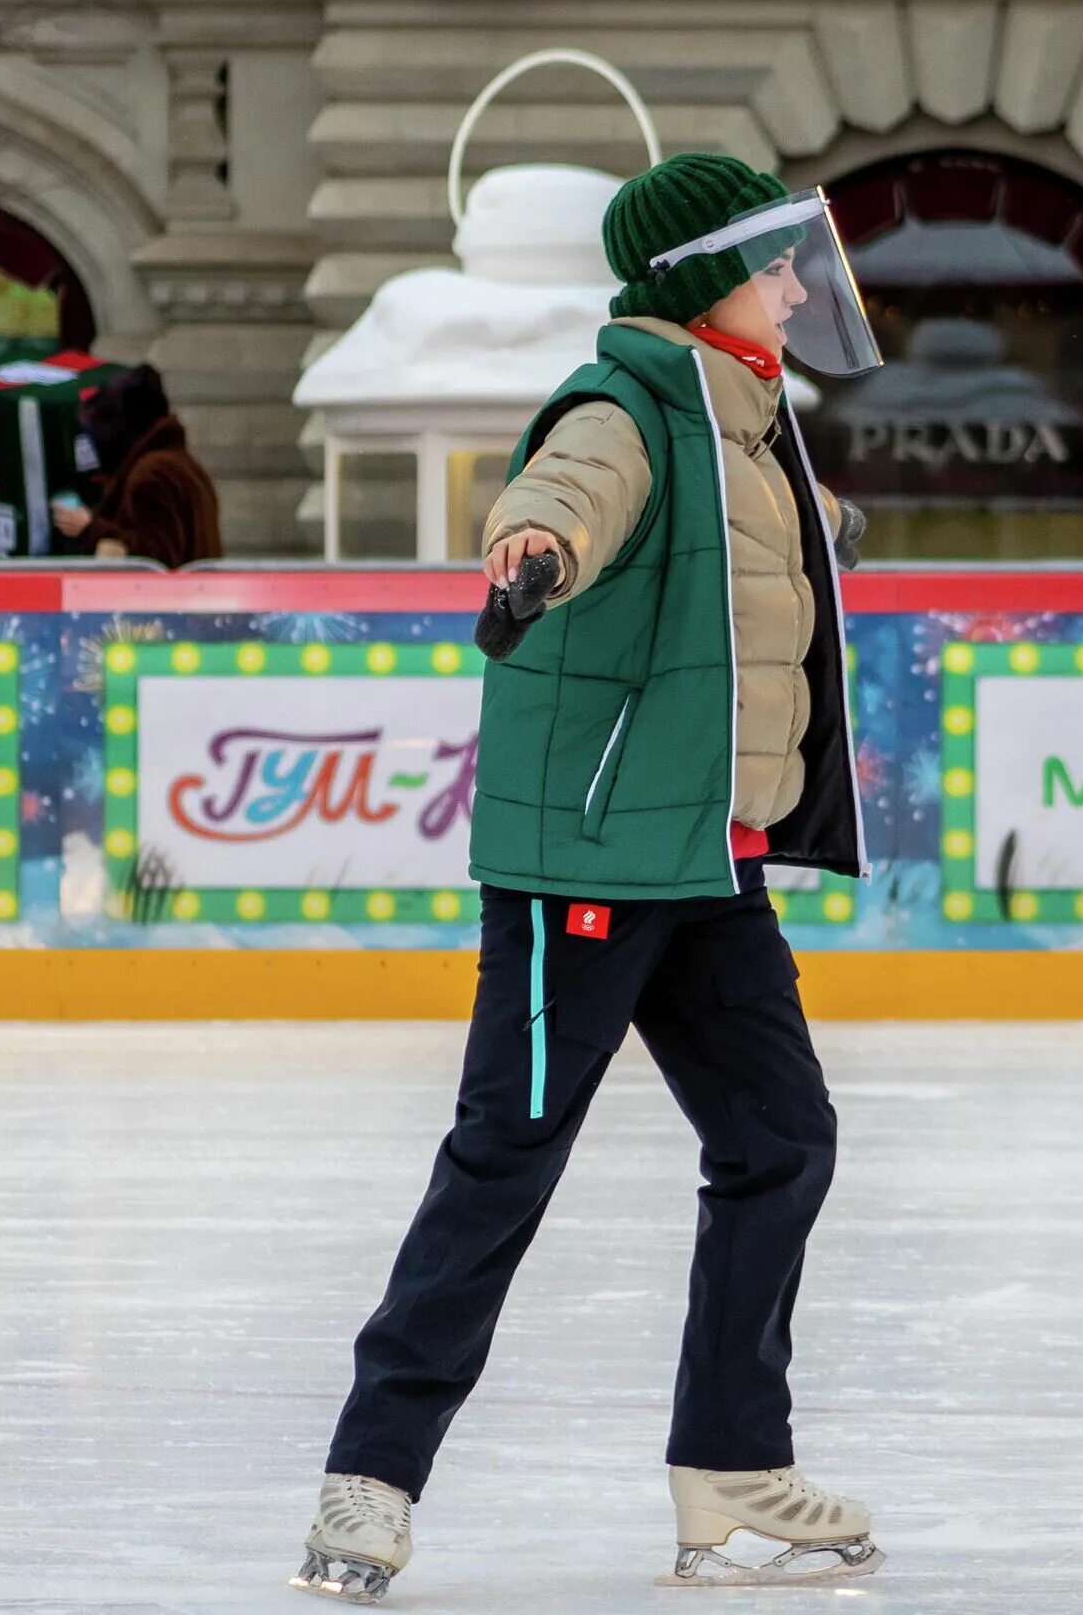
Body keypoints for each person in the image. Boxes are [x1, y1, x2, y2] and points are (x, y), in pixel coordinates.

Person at [293, 154, 880, 1605]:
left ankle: (731, 1469)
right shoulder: (629, 404)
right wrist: (535, 546)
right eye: (775, 264)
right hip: (592, 870)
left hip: (707, 864)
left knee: (780, 1143)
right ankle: (370, 1482)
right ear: (699, 280)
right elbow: (570, 487)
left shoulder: (749, 431)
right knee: (505, 1159)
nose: (802, 287)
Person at [48, 363, 222, 567]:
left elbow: (155, 559)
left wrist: (90, 529)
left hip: (168, 596)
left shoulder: (153, 474)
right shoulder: (180, 464)